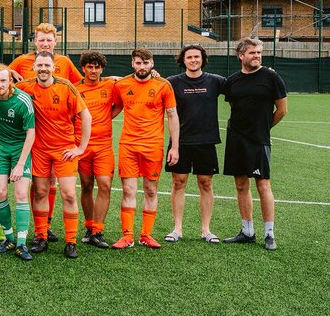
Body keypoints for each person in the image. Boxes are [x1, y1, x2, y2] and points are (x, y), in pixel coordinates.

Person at [9, 23, 81, 241]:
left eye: (49, 40)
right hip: (32, 139)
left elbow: (81, 86)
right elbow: (2, 76)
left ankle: (48, 226)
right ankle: (40, 231)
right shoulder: (22, 61)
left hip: (60, 138)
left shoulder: (65, 63)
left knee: (54, 185)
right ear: (35, 41)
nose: (45, 43)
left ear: (55, 42)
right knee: (39, 187)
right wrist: (9, 71)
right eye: (41, 39)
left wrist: (109, 81)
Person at [15, 51, 90, 258]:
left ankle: (71, 241)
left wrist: (80, 148)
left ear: (53, 67)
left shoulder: (65, 86)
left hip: (64, 149)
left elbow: (86, 116)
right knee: (40, 191)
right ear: (35, 67)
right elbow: (1, 88)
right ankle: (41, 236)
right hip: (38, 149)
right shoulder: (26, 87)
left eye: (47, 65)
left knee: (68, 194)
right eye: (39, 65)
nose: (43, 69)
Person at [222, 38, 287, 250]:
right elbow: (234, 106)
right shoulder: (232, 81)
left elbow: (281, 110)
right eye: (252, 53)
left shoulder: (271, 77)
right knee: (241, 184)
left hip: (259, 140)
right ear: (241, 56)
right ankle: (247, 231)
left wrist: (264, 129)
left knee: (263, 184)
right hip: (236, 139)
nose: (257, 56)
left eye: (259, 52)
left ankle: (269, 233)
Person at [111, 48, 179, 250]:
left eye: (146, 63)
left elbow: (172, 116)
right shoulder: (122, 85)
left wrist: (175, 147)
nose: (142, 67)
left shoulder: (163, 85)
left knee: (150, 190)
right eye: (138, 63)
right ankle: (128, 236)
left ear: (152, 64)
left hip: (153, 146)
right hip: (129, 146)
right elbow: (113, 110)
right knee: (128, 190)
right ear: (132, 63)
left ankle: (146, 235)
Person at [165, 44, 226, 243]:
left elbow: (241, 87)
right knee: (178, 183)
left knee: (206, 184)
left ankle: (206, 230)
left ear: (202, 59)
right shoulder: (172, 82)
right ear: (183, 60)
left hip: (206, 141)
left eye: (197, 57)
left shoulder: (216, 81)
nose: (193, 60)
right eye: (189, 57)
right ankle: (177, 230)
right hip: (180, 142)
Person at [0, 63, 36, 260]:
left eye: (3, 80)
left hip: (20, 149)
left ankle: (22, 244)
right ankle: (9, 238)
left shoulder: (23, 101)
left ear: (10, 81)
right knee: (0, 192)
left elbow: (31, 133)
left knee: (21, 194)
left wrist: (21, 164)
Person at [77, 50, 121, 248]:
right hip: (82, 146)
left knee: (104, 184)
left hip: (103, 145)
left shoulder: (110, 85)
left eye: (97, 67)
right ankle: (88, 227)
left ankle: (98, 230)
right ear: (83, 68)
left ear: (102, 69)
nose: (93, 71)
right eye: (90, 67)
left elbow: (119, 104)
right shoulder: (75, 88)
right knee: (86, 185)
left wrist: (105, 119)